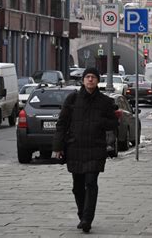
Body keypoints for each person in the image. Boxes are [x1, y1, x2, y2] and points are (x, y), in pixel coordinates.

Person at [52, 67, 118, 233]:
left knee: (91, 183)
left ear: (97, 80)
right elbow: (62, 124)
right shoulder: (73, 99)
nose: (90, 80)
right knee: (78, 186)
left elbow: (113, 124)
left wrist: (100, 121)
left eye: (93, 77)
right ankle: (82, 214)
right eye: (87, 77)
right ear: (83, 80)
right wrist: (58, 147)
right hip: (75, 148)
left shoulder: (104, 102)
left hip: (95, 149)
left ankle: (87, 219)